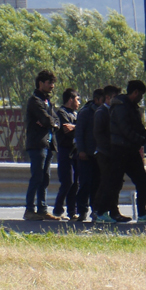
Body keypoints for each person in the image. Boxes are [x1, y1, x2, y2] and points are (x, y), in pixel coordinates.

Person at [104, 79, 146, 224]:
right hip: (120, 150)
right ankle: (112, 213)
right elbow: (125, 129)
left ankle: (142, 213)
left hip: (130, 150)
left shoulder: (131, 107)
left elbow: (138, 127)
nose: (141, 98)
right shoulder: (121, 107)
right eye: (140, 95)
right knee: (115, 183)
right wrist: (140, 140)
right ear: (135, 92)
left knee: (142, 182)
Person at [22, 69, 61, 221]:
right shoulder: (35, 101)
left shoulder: (47, 102)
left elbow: (55, 120)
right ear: (41, 83)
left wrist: (52, 124)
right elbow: (47, 120)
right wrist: (49, 122)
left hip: (48, 145)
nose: (52, 86)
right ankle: (30, 210)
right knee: (37, 177)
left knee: (45, 178)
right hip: (38, 145)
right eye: (49, 83)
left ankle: (42, 209)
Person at [93, 85, 130, 222]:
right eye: (114, 97)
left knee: (115, 183)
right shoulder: (101, 112)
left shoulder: (113, 111)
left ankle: (114, 211)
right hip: (104, 153)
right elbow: (99, 135)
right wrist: (109, 150)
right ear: (107, 98)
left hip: (114, 153)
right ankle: (98, 211)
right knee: (106, 183)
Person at [73, 88, 104, 222]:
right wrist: (81, 150)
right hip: (85, 155)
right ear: (96, 99)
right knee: (85, 183)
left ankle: (95, 210)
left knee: (96, 185)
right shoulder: (85, 112)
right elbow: (79, 133)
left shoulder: (103, 112)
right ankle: (82, 210)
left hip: (98, 155)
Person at [52, 88, 80, 221]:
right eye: (77, 99)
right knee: (67, 182)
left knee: (75, 183)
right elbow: (66, 129)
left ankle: (72, 212)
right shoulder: (61, 113)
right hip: (64, 151)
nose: (78, 102)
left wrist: (75, 127)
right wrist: (77, 128)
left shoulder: (76, 114)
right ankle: (57, 210)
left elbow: (79, 128)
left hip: (75, 151)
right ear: (70, 99)